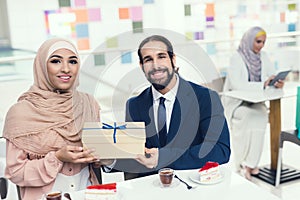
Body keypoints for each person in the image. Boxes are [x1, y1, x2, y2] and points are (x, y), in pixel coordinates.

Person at [2, 38, 109, 200]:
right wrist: (57, 158)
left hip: (89, 192)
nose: (66, 69)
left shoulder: (88, 103)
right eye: (56, 61)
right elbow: (15, 172)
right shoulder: (20, 113)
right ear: (42, 67)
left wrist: (100, 156)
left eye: (72, 61)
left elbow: (98, 152)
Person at [115, 35, 231, 178]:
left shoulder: (206, 98)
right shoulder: (134, 105)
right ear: (141, 66)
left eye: (161, 57)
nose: (156, 65)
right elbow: (135, 156)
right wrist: (109, 161)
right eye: (148, 59)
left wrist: (163, 157)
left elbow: (220, 150)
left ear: (173, 59)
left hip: (194, 188)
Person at [222, 26, 285, 180]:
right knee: (249, 116)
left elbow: (270, 75)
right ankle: (241, 163)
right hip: (237, 103)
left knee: (262, 114)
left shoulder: (263, 56)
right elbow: (237, 84)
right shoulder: (236, 58)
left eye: (263, 42)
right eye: (258, 42)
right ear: (249, 40)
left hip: (256, 101)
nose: (261, 45)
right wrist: (263, 84)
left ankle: (251, 163)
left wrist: (275, 82)